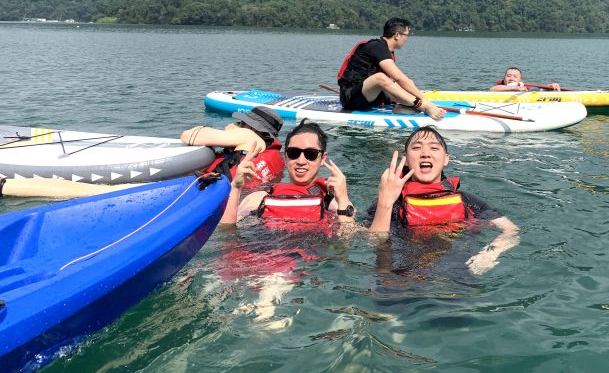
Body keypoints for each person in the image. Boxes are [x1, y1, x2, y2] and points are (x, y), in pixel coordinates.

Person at [0, 106, 285, 198]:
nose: (233, 123)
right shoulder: (276, 158)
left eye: (238, 120)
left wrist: (231, 135)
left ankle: (6, 185)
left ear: (248, 126)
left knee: (93, 191)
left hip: (198, 196)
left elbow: (190, 135)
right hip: (218, 194)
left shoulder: (246, 138)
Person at [367, 126, 520, 275]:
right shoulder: (392, 203)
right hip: (403, 279)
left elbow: (511, 230)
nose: (425, 154)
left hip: (457, 277)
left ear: (446, 159)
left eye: (434, 148)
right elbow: (373, 243)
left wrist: (489, 253)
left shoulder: (466, 201)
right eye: (416, 148)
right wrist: (385, 203)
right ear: (405, 160)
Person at [221, 119, 355, 229]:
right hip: (262, 254)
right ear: (285, 157)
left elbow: (346, 242)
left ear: (323, 158)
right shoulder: (259, 198)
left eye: (310, 154)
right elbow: (226, 232)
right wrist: (236, 187)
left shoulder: (334, 203)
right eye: (294, 153)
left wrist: (343, 199)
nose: (301, 161)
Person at [337, 17, 445, 120]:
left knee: (406, 84)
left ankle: (402, 107)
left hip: (369, 96)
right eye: (407, 35)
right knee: (381, 78)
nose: (407, 38)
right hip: (351, 99)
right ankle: (421, 106)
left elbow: (399, 82)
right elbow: (399, 77)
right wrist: (424, 101)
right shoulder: (377, 46)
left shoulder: (387, 50)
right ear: (397, 35)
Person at [181, 105, 284, 191]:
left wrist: (229, 133)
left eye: (241, 122)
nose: (236, 124)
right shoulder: (276, 156)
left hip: (222, 197)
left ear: (252, 128)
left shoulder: (248, 135)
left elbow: (187, 136)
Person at [489, 66, 560, 92]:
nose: (511, 78)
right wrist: (515, 88)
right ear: (504, 79)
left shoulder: (523, 87)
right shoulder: (499, 87)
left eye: (515, 76)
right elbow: (492, 89)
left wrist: (550, 86)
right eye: (508, 76)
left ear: (520, 80)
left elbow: (539, 89)